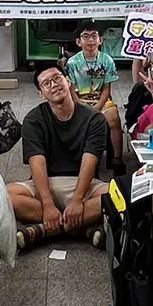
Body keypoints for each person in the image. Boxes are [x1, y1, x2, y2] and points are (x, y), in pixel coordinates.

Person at [8, 67, 110, 250]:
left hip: (83, 184)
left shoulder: (94, 119)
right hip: (45, 184)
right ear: (41, 93)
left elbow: (89, 162)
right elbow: (37, 164)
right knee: (3, 195)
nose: (54, 85)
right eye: (46, 83)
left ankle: (44, 229)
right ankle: (81, 228)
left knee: (120, 194)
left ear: (68, 81)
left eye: (57, 78)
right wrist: (48, 205)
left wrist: (78, 200)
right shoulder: (33, 120)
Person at [65, 21, 123, 171]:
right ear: (78, 41)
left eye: (94, 36)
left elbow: (107, 88)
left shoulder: (107, 60)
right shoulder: (72, 62)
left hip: (101, 99)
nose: (90, 40)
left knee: (114, 119)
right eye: (85, 36)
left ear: (100, 40)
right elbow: (70, 89)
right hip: (79, 100)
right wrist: (80, 104)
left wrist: (98, 106)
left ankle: (117, 158)